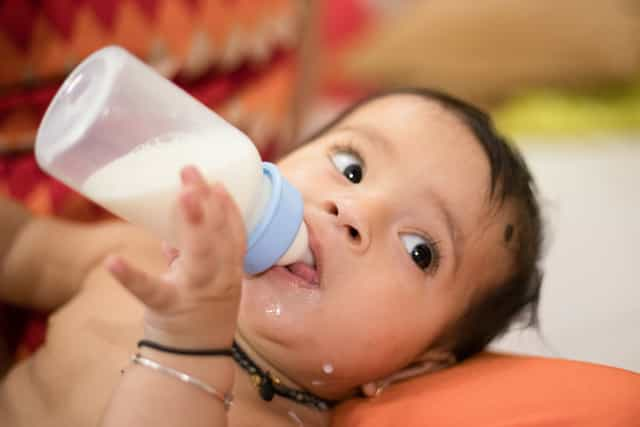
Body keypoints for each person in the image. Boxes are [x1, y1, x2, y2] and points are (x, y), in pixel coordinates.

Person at [0, 88, 543, 427]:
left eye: (419, 248)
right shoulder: (143, 249)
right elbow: (19, 248)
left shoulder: (281, 422)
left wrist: (186, 341)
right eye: (351, 167)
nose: (353, 209)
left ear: (413, 366)